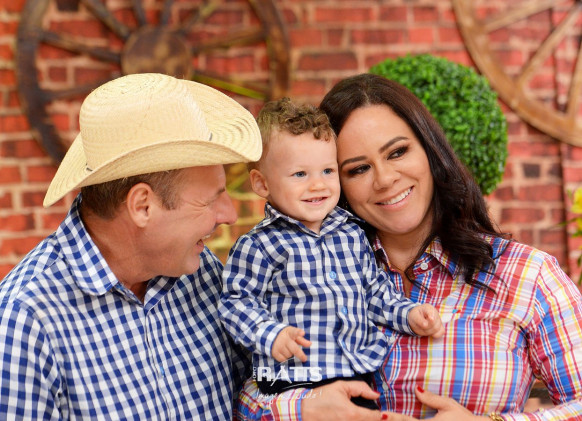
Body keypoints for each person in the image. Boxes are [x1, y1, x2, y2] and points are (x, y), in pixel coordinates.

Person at [235, 73, 582, 420]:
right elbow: (242, 394)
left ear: (430, 150)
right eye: (358, 169)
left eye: (398, 152)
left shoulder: (528, 274)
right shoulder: (295, 270)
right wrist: (300, 408)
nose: (385, 179)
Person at [0, 72, 262, 419]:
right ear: (142, 206)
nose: (229, 214)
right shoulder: (25, 321)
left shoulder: (201, 272)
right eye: (211, 199)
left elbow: (254, 394)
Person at [219, 98, 444, 409]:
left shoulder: (352, 235)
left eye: (327, 170)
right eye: (300, 174)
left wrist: (408, 314)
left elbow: (373, 291)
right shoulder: (260, 245)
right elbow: (236, 301)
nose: (318, 185)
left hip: (356, 371)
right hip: (294, 380)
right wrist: (271, 334)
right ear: (262, 183)